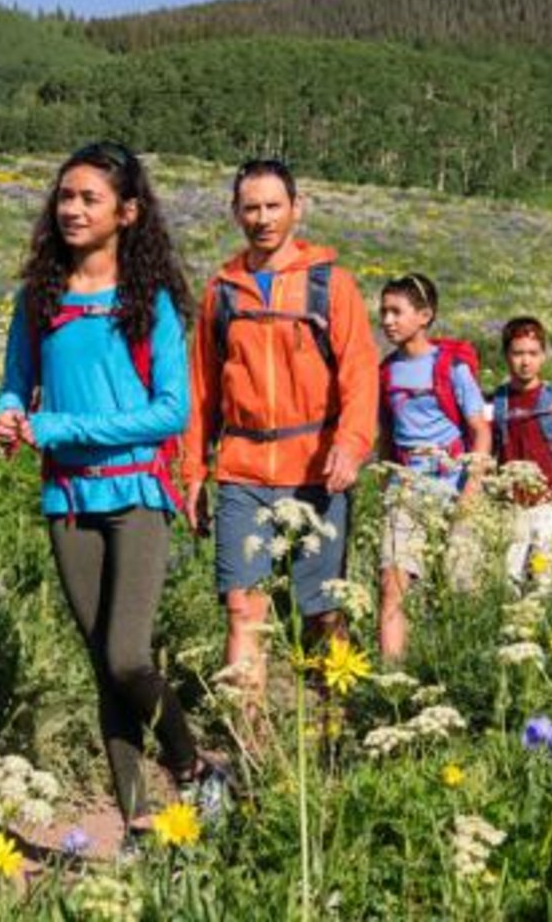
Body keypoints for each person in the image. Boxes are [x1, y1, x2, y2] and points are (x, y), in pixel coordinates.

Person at [0, 140, 227, 837]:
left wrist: (60, 423)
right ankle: (140, 822)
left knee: (128, 654)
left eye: (89, 198)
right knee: (105, 669)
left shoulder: (146, 301)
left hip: (136, 496)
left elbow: (169, 413)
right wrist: (8, 415)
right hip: (67, 501)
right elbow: (14, 380)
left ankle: (193, 767)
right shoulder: (38, 297)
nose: (71, 208)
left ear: (126, 212)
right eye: (65, 196)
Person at [181, 158, 378, 727]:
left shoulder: (330, 285)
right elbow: (201, 391)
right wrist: (193, 472)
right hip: (243, 473)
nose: (262, 219)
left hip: (318, 471)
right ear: (235, 212)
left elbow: (360, 373)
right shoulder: (222, 293)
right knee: (244, 610)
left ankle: (336, 729)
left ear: (297, 208)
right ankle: (250, 750)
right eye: (251, 208)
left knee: (322, 613)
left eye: (273, 206)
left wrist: (352, 442)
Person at [376, 273, 491, 663]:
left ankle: (461, 669)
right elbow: (386, 436)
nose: (388, 320)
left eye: (397, 311)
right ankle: (391, 679)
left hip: (454, 485)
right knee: (392, 583)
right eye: (384, 311)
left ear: (424, 315)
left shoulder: (452, 368)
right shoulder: (386, 372)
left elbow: (480, 431)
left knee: (460, 588)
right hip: (405, 488)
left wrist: (472, 490)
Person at [489, 316, 552, 588]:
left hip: (548, 506)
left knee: (548, 582)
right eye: (517, 353)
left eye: (532, 353)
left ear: (543, 356)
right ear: (506, 355)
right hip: (510, 507)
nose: (525, 361)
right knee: (507, 581)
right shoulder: (497, 402)